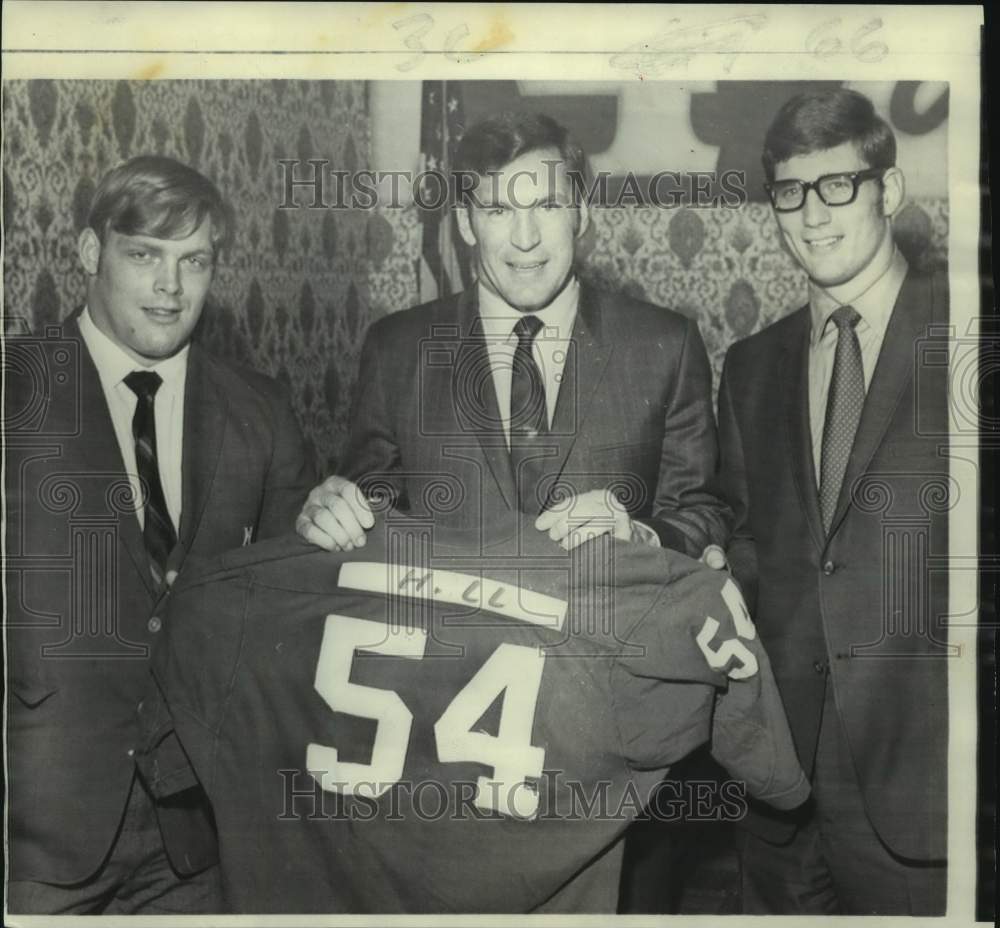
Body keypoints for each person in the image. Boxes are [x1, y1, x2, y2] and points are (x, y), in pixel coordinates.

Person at [5, 155, 316, 914]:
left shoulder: (261, 412)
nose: (171, 288)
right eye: (144, 256)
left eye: (194, 262)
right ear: (88, 254)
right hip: (34, 838)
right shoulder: (14, 391)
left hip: (200, 838)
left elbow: (293, 616)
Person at [295, 110, 729, 562]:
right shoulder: (395, 351)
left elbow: (702, 514)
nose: (526, 239)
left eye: (547, 205)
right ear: (466, 223)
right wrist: (330, 517)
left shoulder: (665, 346)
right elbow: (368, 518)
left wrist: (640, 534)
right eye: (499, 209)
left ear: (580, 213)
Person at [717, 88, 949, 915]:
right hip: (778, 783)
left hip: (926, 789)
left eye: (837, 186)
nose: (811, 215)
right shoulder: (750, 367)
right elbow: (747, 549)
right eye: (789, 191)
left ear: (888, 191)